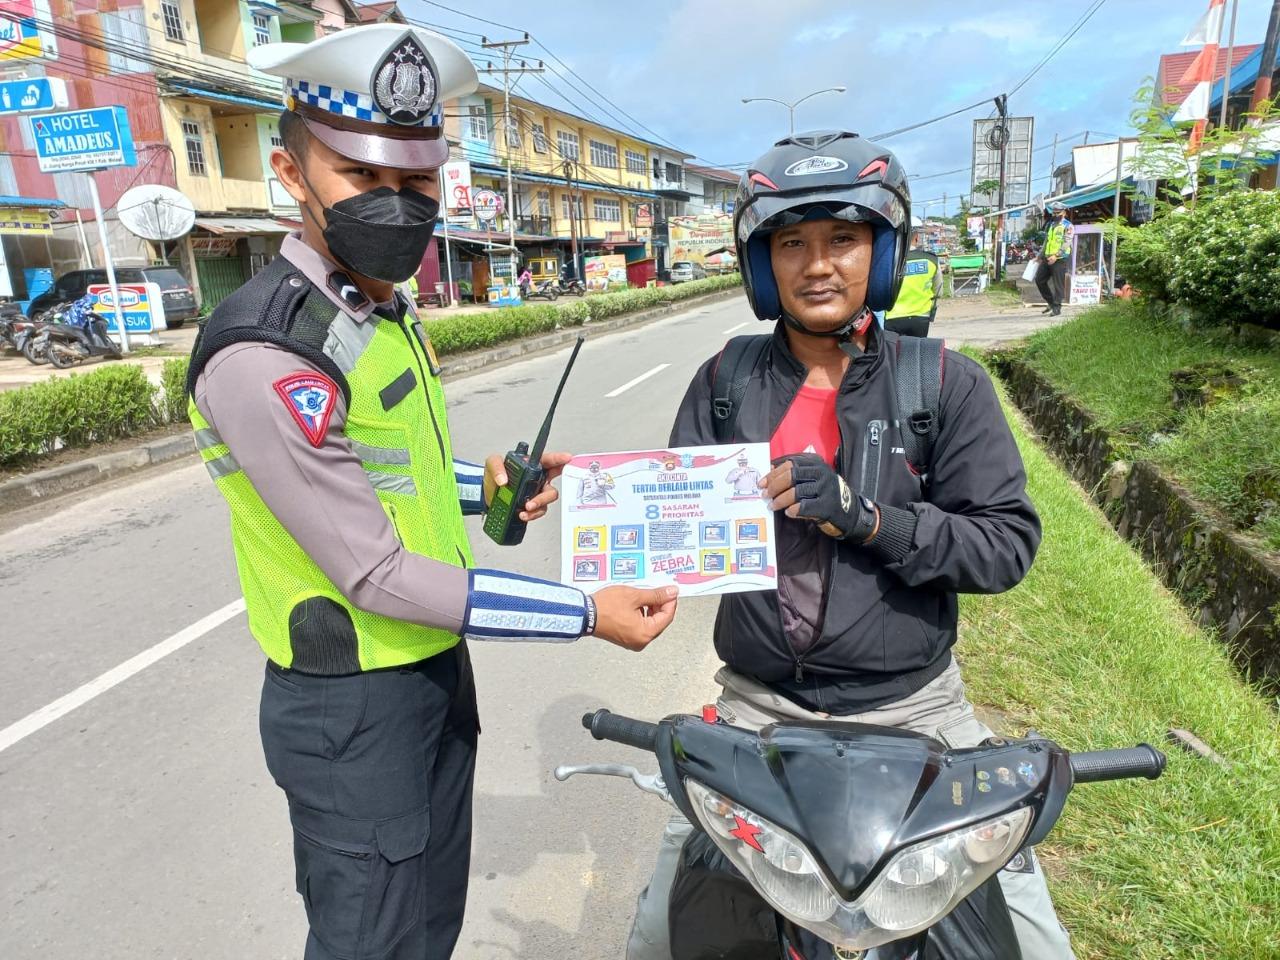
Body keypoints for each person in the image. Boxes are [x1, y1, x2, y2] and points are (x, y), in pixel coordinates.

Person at [186, 25, 678, 960]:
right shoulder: (267, 351)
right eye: (361, 178)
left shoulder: (371, 308)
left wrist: (481, 484)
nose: (395, 205)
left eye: (415, 184)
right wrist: (583, 612)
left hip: (429, 672)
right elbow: (372, 571)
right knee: (370, 942)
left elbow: (376, 469)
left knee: (427, 929)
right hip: (352, 708)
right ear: (294, 176)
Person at [627, 131, 1075, 960]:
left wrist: (869, 519)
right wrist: (587, 502)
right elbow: (670, 523)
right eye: (790, 243)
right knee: (660, 931)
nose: (817, 264)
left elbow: (1005, 545)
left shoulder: (943, 383)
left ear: (884, 249)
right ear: (763, 265)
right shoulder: (726, 382)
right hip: (760, 711)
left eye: (842, 238)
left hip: (920, 712)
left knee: (1031, 933)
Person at [882, 234, 942, 337]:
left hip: (892, 317)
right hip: (920, 317)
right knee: (917, 351)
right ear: (917, 237)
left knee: (893, 352)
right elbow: (938, 290)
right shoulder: (931, 259)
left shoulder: (888, 261)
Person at [1035, 201, 1074, 316]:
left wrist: (1056, 255)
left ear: (1064, 212)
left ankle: (1057, 308)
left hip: (1060, 259)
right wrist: (1040, 256)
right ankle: (1051, 303)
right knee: (1039, 280)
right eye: (1054, 213)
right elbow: (1046, 242)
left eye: (1058, 212)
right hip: (1047, 257)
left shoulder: (1068, 226)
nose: (1056, 215)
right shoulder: (1051, 225)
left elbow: (1067, 242)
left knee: (1058, 284)